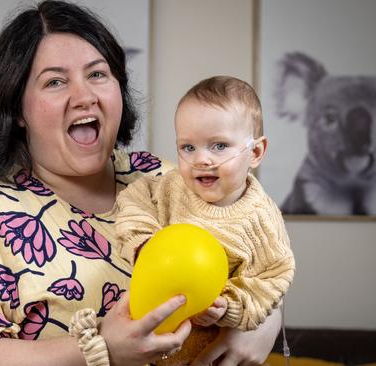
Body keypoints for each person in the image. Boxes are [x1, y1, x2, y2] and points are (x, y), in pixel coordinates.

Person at [0, 2, 283, 365]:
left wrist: (263, 325)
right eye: (54, 82)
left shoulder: (162, 177)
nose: (84, 96)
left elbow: (256, 256)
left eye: (97, 74)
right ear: (18, 108)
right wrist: (99, 349)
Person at [116, 76, 296, 365]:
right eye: (188, 148)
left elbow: (273, 277)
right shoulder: (169, 187)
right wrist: (145, 245)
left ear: (256, 152)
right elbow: (133, 201)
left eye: (219, 146)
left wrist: (230, 306)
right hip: (149, 344)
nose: (201, 159)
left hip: (211, 352)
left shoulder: (261, 218)